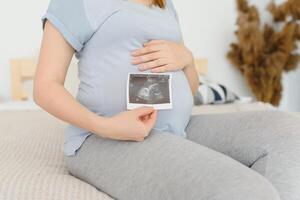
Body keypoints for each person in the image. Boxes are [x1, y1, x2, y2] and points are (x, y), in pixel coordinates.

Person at [34, 0, 300, 199]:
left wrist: (187, 60)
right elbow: (45, 86)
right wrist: (106, 126)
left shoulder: (163, 3)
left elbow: (190, 86)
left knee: (287, 130)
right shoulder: (77, 2)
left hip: (176, 128)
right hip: (105, 137)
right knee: (245, 188)